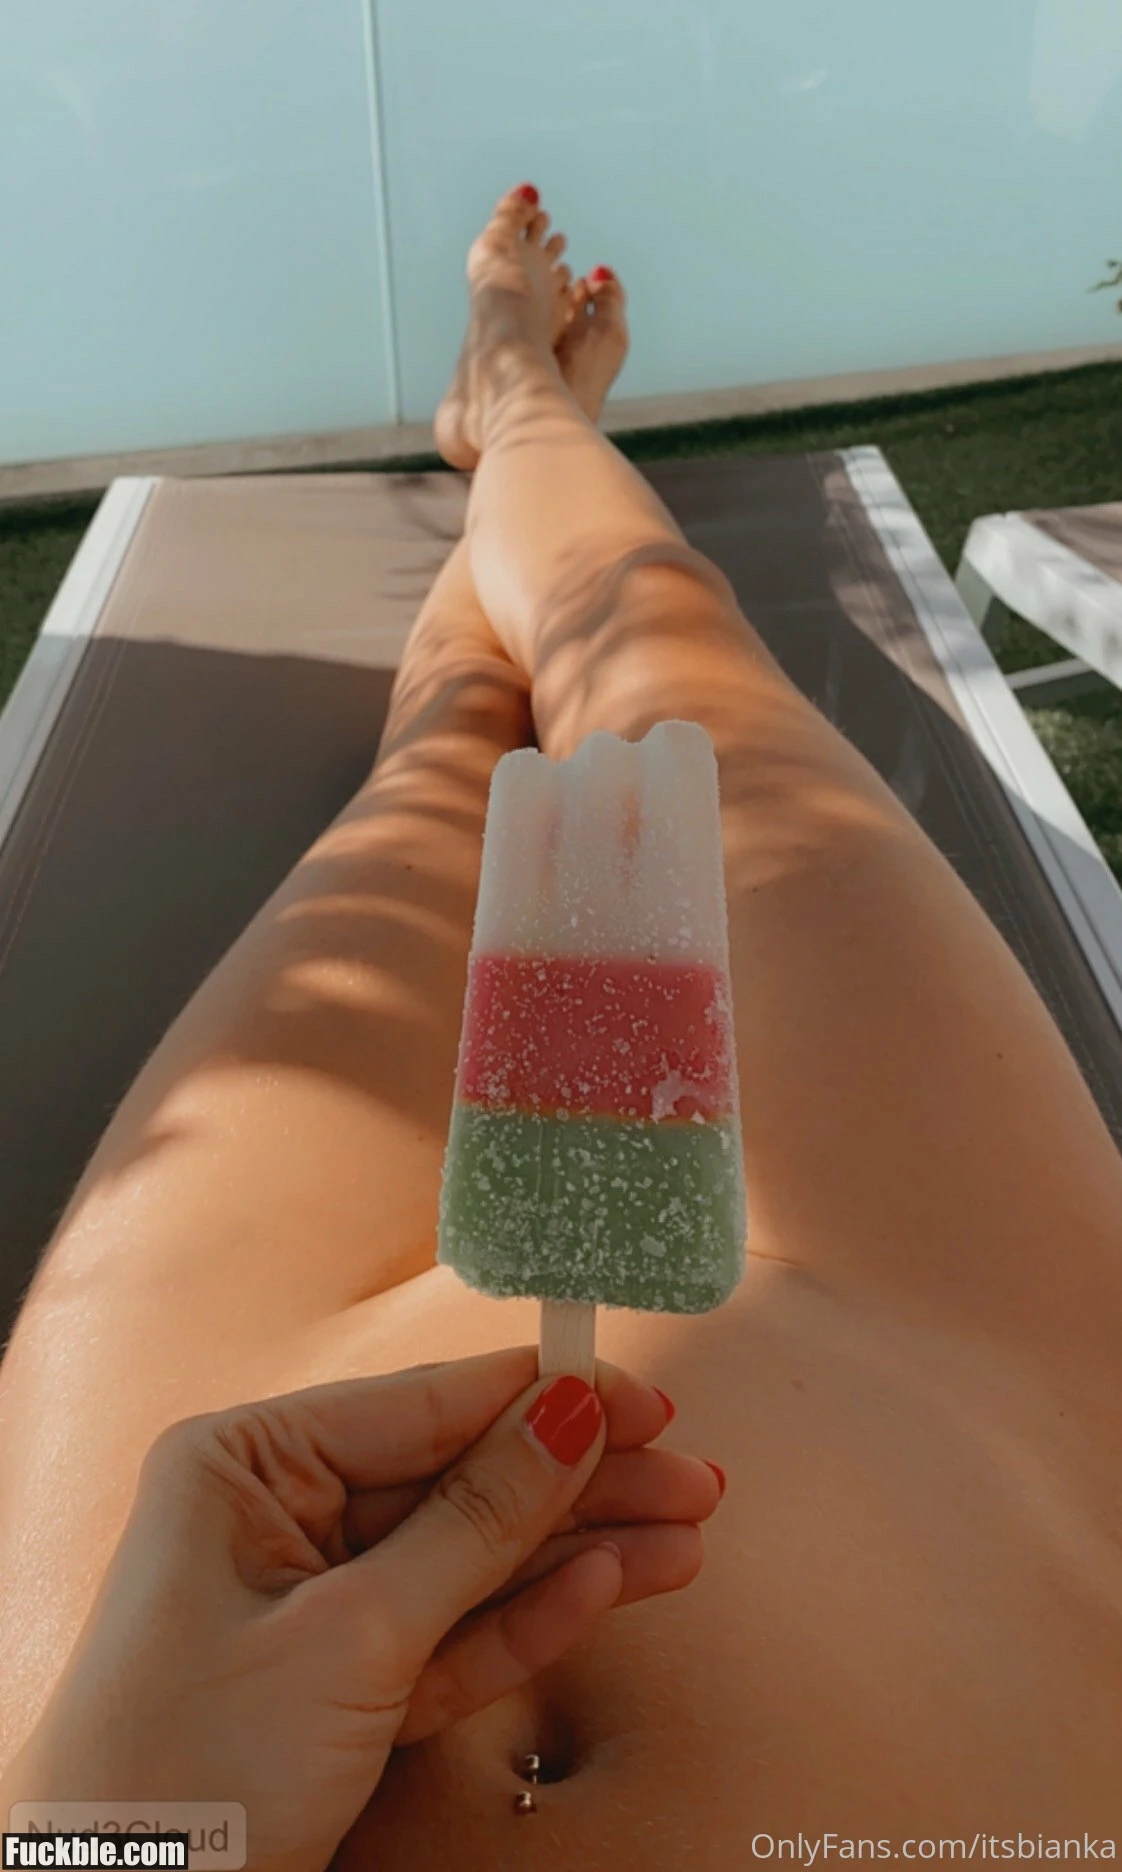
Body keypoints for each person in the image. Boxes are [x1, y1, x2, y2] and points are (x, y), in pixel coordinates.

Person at [1, 184, 1121, 1868]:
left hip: (188, 1563)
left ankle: (514, 401)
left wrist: (113, 1841)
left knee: (455, 736)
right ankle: (523, 411)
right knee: (650, 629)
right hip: (939, 1407)